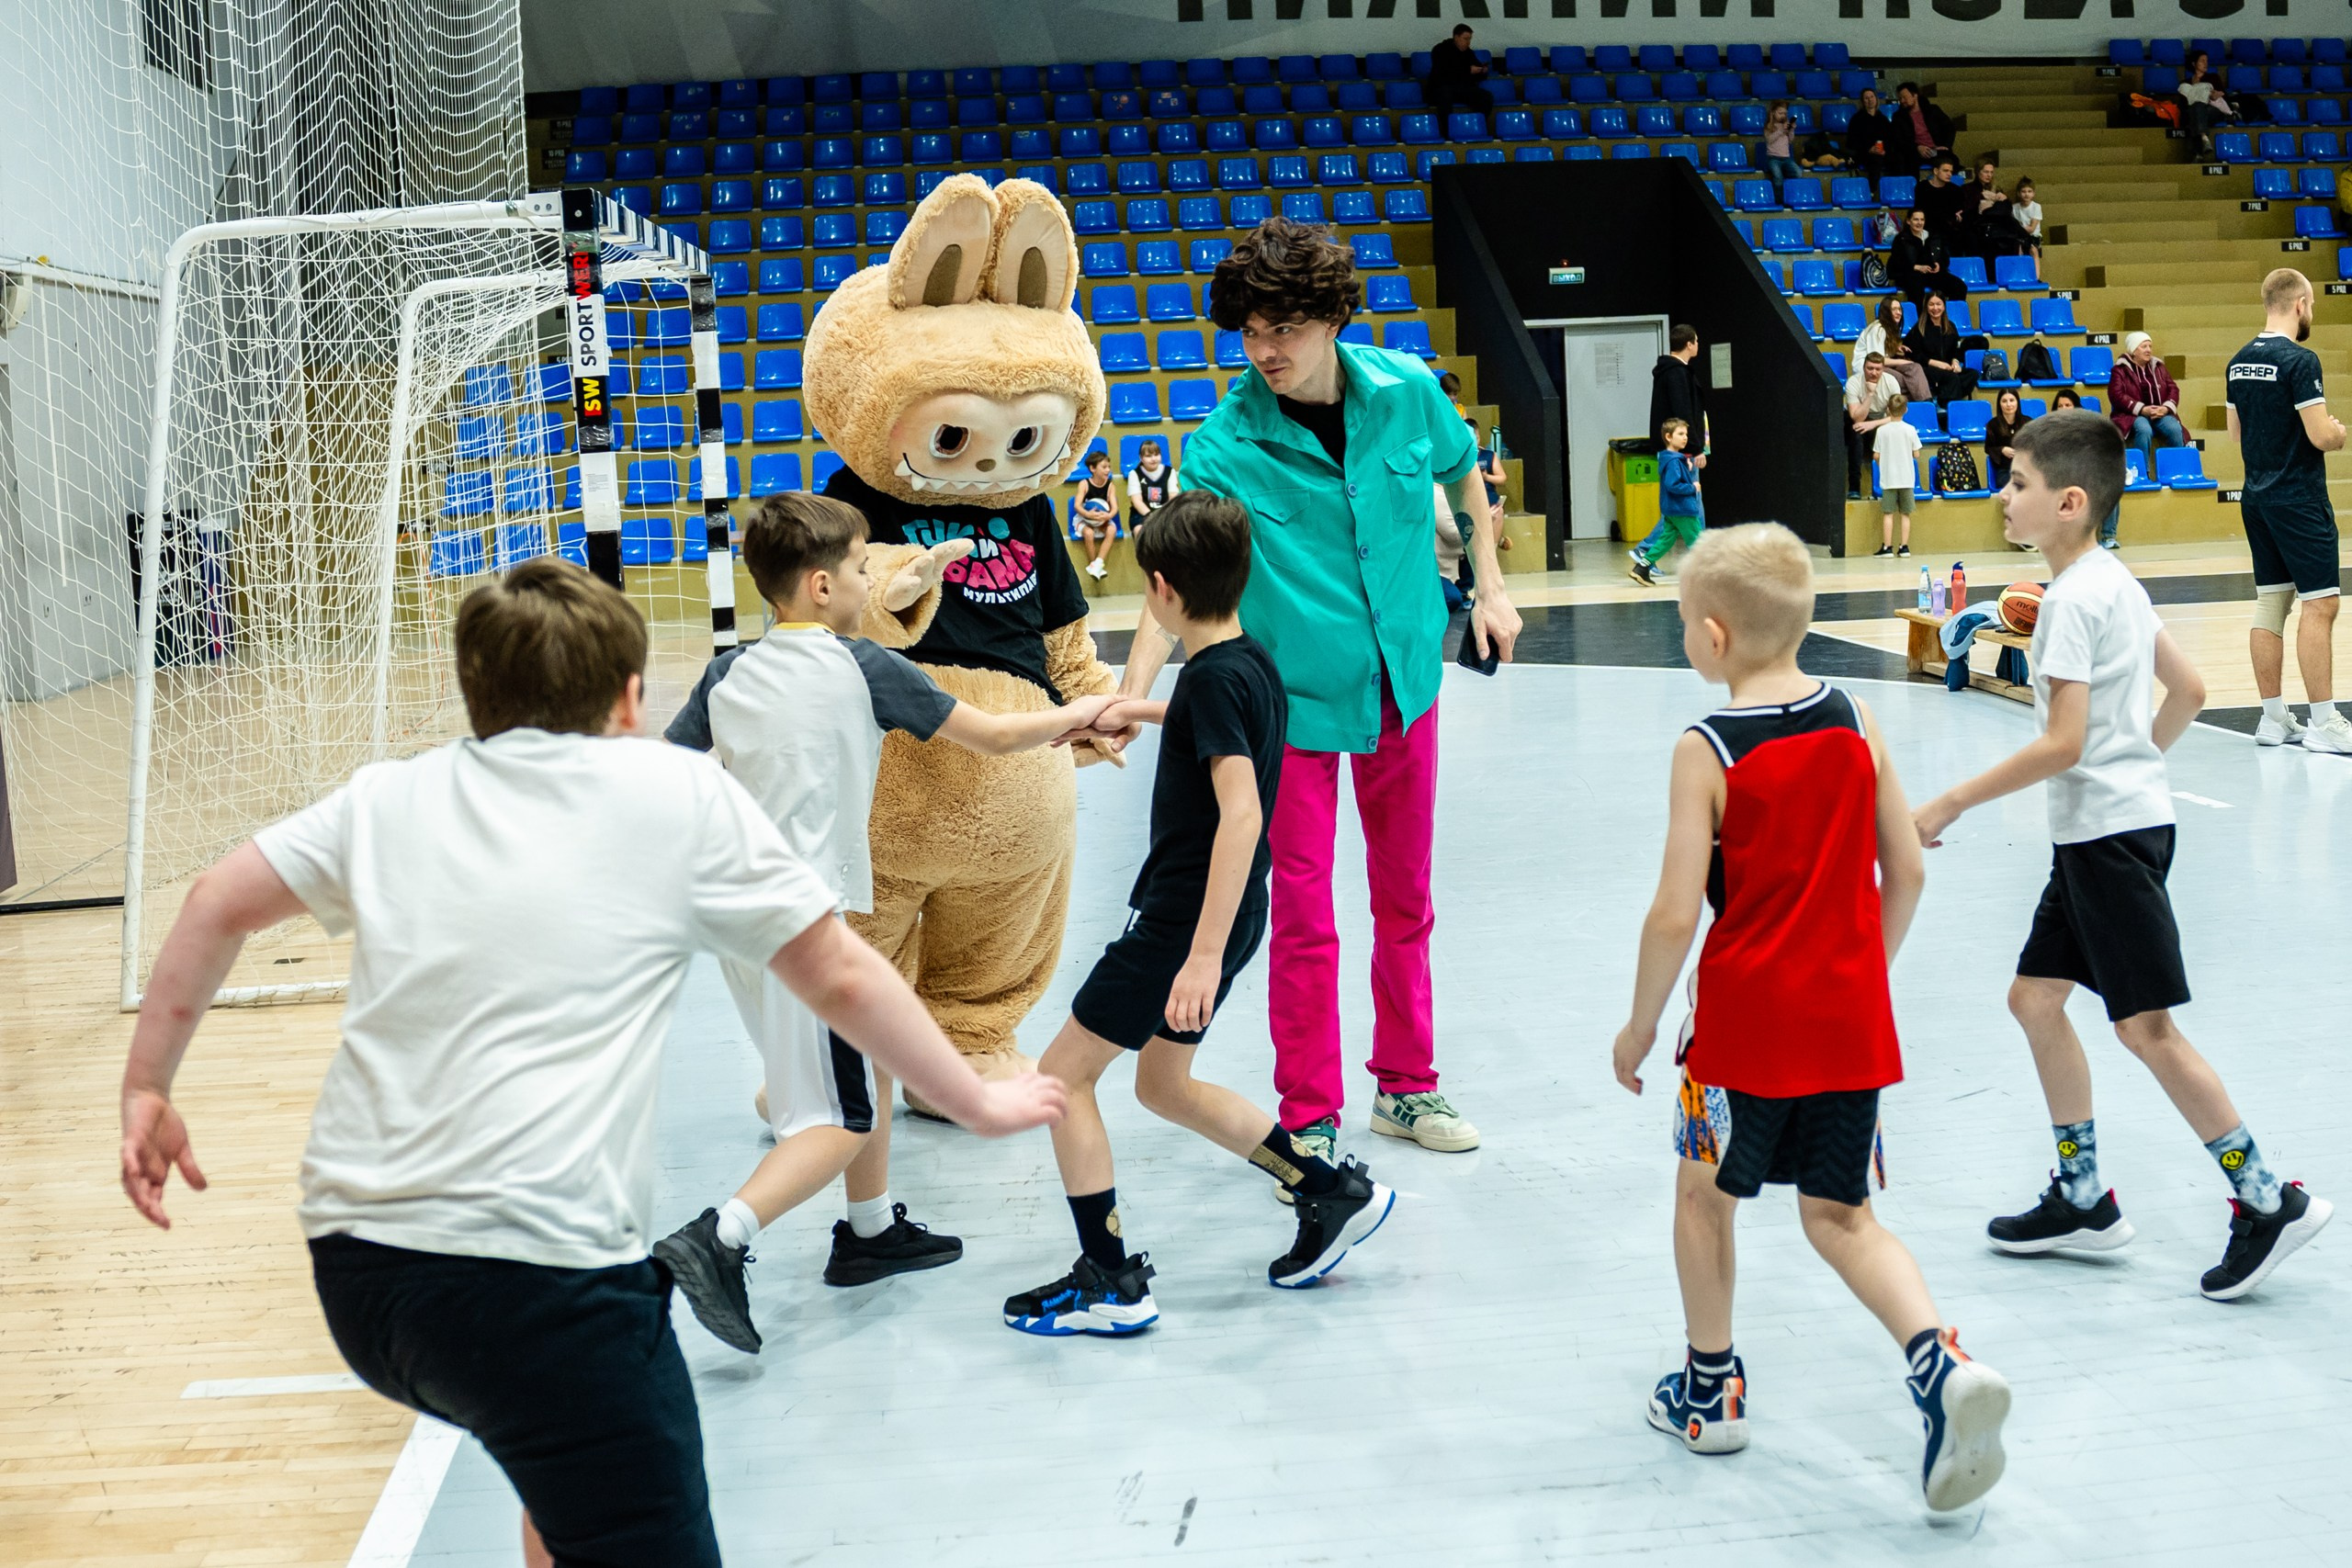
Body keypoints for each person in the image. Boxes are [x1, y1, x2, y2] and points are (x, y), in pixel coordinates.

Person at [116, 558, 1069, 1568]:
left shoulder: (391, 794)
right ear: (628, 699)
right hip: (541, 1284)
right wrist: (966, 1091)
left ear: (474, 693)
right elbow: (837, 971)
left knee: (553, 1471)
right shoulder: (669, 790)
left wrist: (147, 1087)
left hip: (363, 1278)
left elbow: (213, 901)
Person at [650, 495, 1114, 1353]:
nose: (875, 580)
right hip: (807, 925)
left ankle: (867, 1234)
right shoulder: (862, 665)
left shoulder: (727, 672)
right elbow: (1001, 736)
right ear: (824, 585)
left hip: (737, 921)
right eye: (865, 568)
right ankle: (719, 1237)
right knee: (841, 1117)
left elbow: (664, 778)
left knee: (861, 1070)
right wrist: (1085, 713)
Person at [1612, 522, 2010, 1513]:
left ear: (1709, 636)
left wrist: (1637, 1026)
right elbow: (1905, 867)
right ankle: (1938, 1362)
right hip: (1849, 1022)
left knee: (1705, 1198)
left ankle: (1709, 1392)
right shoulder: (1855, 718)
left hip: (1742, 1028)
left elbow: (1672, 912)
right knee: (1842, 1214)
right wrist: (1860, 975)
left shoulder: (1706, 748)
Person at [1114, 217, 1519, 1164]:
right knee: (1302, 915)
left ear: (1332, 317)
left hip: (1401, 686)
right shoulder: (1222, 446)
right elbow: (1170, 582)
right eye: (1252, 332)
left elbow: (1467, 480)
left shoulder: (1410, 392)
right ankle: (1309, 1109)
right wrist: (1134, 695)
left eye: (1284, 329)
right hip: (1287, 711)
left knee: (1404, 898)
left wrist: (1491, 587)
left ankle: (1406, 1088)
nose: (1266, 351)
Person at [1914, 410, 2334, 1300]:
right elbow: (2188, 689)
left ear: (2068, 502)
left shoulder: (2070, 602)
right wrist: (2136, 762)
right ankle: (2081, 1196)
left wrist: (1949, 799)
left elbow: (2063, 744)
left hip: (2105, 836)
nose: (2002, 495)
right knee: (2034, 1000)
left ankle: (2268, 1200)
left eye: (2017, 483)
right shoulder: (2111, 579)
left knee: (2145, 1029)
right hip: (2111, 828)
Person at [1002, 491, 1396, 1335]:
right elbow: (1219, 722)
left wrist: (1201, 955)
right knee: (1163, 1082)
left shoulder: (1213, 678)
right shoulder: (1245, 661)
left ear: (1159, 587)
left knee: (1060, 1079)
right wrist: (1137, 708)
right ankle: (1328, 1190)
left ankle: (1108, 1280)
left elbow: (1244, 812)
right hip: (1228, 910)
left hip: (1183, 923)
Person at [2226, 267, 2352, 751]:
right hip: (2299, 499)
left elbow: (2238, 435)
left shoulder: (2238, 362)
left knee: (2271, 601)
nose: (2311, 313)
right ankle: (2324, 722)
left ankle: (2273, 719)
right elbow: (2321, 435)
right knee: (2321, 604)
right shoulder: (2300, 360)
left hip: (2257, 498)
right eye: (2312, 305)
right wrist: (2337, 433)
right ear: (2299, 304)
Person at [1628, 417, 1703, 586]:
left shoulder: (1669, 459)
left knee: (1665, 541)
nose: (1685, 437)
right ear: (1669, 437)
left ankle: (1642, 568)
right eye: (1681, 434)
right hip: (1683, 509)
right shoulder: (1674, 461)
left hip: (1671, 509)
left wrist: (1685, 466)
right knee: (1699, 542)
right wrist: (1692, 487)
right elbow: (1673, 485)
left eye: (1686, 434)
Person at [2109, 332, 2187, 468]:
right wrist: (2141, 409)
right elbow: (2116, 394)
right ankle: (2142, 471)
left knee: (2174, 428)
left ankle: (2176, 469)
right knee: (2144, 429)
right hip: (2131, 415)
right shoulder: (2120, 370)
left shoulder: (2159, 367)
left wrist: (2166, 408)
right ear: (2133, 350)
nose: (2148, 350)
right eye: (2144, 346)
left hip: (2159, 412)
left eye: (2150, 346)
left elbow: (2173, 389)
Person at [1904, 291, 1978, 410]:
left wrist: (1955, 362)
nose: (1935, 308)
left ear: (1944, 306)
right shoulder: (1919, 328)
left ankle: (1945, 396)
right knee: (1952, 378)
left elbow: (1956, 350)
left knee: (1973, 374)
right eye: (1931, 304)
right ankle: (1948, 408)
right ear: (1926, 307)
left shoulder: (1951, 326)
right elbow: (1913, 354)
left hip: (1948, 368)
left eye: (1939, 304)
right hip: (1927, 369)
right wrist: (1936, 363)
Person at [1845, 351, 1902, 500]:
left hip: (1880, 422)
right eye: (1870, 368)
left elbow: (1896, 416)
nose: (1874, 373)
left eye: (1878, 369)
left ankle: (1890, 487)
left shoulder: (1891, 382)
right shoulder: (1854, 382)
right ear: (1864, 368)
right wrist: (1870, 394)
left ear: (1883, 369)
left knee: (1894, 432)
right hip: (1859, 422)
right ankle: (1854, 487)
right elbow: (1857, 417)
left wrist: (1873, 424)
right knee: (1856, 434)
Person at [1856, 296, 1932, 404]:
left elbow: (1883, 349)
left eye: (1900, 309)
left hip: (1882, 365)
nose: (1898, 313)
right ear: (1886, 312)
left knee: (1915, 369)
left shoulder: (1890, 328)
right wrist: (1903, 361)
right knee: (1904, 379)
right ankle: (1924, 406)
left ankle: (1926, 405)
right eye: (1894, 309)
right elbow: (1878, 360)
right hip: (1870, 369)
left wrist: (1895, 349)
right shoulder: (1877, 329)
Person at [1875, 390, 1922, 557]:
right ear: (1906, 410)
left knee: (1888, 513)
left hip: (1889, 479)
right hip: (1906, 479)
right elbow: (1916, 454)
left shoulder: (1881, 431)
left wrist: (1883, 465)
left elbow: (1876, 455)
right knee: (1905, 514)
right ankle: (1904, 547)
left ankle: (1887, 547)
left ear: (1888, 409)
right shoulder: (1910, 430)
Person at [1890, 208, 1970, 306]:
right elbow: (1896, 263)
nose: (1919, 223)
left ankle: (1951, 317)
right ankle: (1921, 320)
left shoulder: (1933, 237)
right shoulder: (1901, 239)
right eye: (1916, 219)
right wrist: (1916, 267)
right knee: (1916, 288)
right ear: (1908, 221)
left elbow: (1944, 257)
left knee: (1959, 287)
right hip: (1911, 273)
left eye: (1922, 220)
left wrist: (1939, 264)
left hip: (1931, 273)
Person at [1650, 321, 1709, 452]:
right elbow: (1683, 411)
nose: (1698, 344)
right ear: (1689, 344)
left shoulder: (1669, 370)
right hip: (1682, 451)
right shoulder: (1677, 373)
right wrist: (1695, 448)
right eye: (1696, 341)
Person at [2176, 51, 2238, 158]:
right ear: (2194, 64)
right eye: (2202, 61)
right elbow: (2183, 104)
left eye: (2207, 61)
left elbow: (2224, 97)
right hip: (2196, 112)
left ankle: (2198, 151)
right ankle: (2203, 139)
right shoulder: (2185, 83)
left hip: (2214, 110)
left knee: (2196, 110)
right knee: (2196, 109)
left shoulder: (2213, 78)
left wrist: (2217, 94)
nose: (2206, 64)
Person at [1072, 448, 1120, 580]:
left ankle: (1098, 563)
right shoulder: (1084, 484)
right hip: (1084, 518)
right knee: (1089, 533)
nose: (1107, 470)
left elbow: (1114, 508)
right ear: (1092, 468)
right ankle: (1093, 564)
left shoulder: (1110, 486)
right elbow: (1077, 505)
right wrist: (1088, 514)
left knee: (1112, 529)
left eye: (1109, 467)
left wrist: (1109, 516)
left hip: (1102, 519)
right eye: (1104, 467)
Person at [1427, 24, 1492, 119]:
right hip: (1441, 87)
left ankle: (1478, 125)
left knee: (1486, 97)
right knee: (1445, 96)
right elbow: (1443, 71)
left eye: (1470, 39)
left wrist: (1482, 71)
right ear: (1456, 37)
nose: (1468, 42)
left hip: (1462, 89)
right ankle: (1447, 131)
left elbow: (1476, 73)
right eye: (1465, 39)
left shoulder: (1469, 53)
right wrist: (1468, 70)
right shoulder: (1440, 50)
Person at [1892, 82, 1955, 173]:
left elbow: (1950, 128)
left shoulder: (1933, 110)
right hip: (1914, 152)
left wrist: (1945, 146)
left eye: (1904, 97)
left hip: (1937, 149)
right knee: (1905, 162)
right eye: (1900, 98)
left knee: (1952, 162)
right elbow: (1898, 140)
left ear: (1915, 95)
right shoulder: (1898, 116)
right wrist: (1917, 147)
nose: (1902, 101)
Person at [1914, 155, 1970, 251]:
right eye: (1945, 171)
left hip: (1948, 229)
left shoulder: (1956, 190)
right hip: (1928, 227)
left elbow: (1960, 211)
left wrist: (1960, 215)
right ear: (1936, 171)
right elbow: (1920, 210)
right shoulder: (1922, 187)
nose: (1949, 174)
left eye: (1951, 171)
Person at [1842, 86, 1893, 181]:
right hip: (1864, 153)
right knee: (1876, 159)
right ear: (1862, 102)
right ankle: (1871, 191)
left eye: (1872, 97)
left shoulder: (1883, 119)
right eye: (1866, 98)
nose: (1870, 100)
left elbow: (1890, 138)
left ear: (1876, 99)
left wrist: (1884, 150)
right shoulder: (1857, 119)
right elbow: (1852, 142)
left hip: (1882, 152)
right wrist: (1869, 149)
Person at [1127, 437, 1175, 535]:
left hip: (1165, 512)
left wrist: (1164, 515)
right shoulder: (1134, 474)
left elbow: (1173, 497)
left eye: (1156, 455)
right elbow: (1136, 501)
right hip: (1142, 514)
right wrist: (1151, 517)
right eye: (1148, 456)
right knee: (1140, 531)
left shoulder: (1169, 471)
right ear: (1141, 458)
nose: (1153, 459)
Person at [1984, 388, 2027, 491]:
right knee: (2011, 486)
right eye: (2004, 401)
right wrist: (2002, 450)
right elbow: (1988, 448)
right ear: (1999, 404)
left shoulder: (2028, 423)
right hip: (2005, 469)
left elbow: (2036, 447)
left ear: (2017, 402)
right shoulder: (1993, 425)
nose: (2008, 404)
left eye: (2012, 400)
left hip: (2026, 467)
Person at [1759, 100, 1801, 185]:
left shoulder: (1786, 125)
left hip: (1786, 158)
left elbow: (1790, 141)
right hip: (1773, 159)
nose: (1783, 116)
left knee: (1798, 173)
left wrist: (1791, 130)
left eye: (1785, 114)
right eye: (1780, 113)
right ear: (1773, 113)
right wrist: (1781, 130)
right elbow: (1769, 140)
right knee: (1778, 177)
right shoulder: (1769, 126)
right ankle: (1779, 197)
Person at [2009, 176, 2043, 257]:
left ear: (2033, 194)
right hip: (2020, 236)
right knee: (2016, 247)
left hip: (2033, 237)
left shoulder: (2036, 207)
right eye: (2023, 191)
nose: (2026, 194)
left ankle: (2036, 269)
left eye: (2029, 191)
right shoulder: (2014, 207)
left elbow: (2031, 229)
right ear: (2018, 193)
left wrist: (2018, 230)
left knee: (2033, 249)